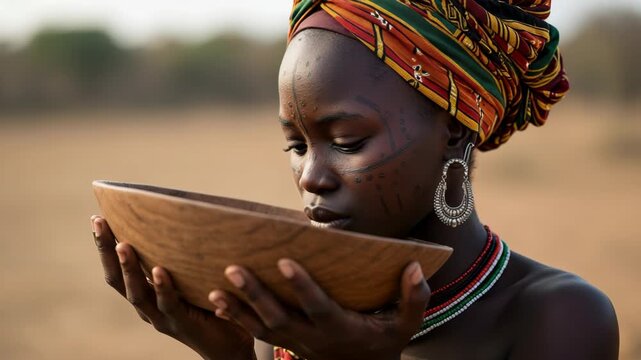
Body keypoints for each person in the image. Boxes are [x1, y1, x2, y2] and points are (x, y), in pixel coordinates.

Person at [90, 0, 619, 359]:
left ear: (456, 130)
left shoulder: (555, 318)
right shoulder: (291, 311)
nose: (310, 178)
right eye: (295, 145)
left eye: (345, 142)